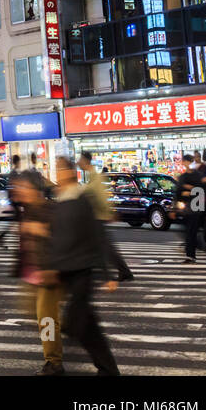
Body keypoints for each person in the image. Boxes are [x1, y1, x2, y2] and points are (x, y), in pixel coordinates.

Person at [44, 156, 120, 376]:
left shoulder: (82, 198)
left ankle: (106, 368)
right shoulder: (59, 200)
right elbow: (56, 236)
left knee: (75, 322)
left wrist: (108, 274)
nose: (57, 174)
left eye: (59, 169)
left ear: (69, 172)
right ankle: (108, 369)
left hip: (83, 269)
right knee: (88, 325)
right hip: (65, 269)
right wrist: (51, 265)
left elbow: (98, 234)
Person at [11, 172, 61, 375]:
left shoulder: (47, 209)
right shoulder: (28, 209)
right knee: (33, 312)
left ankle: (54, 362)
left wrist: (39, 230)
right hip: (31, 274)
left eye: (23, 188)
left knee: (46, 319)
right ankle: (65, 329)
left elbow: (59, 237)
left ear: (34, 190)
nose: (19, 191)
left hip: (47, 274)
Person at [77, 150, 134, 281]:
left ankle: (122, 271)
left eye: (80, 160)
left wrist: (110, 213)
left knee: (106, 248)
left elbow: (102, 198)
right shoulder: (91, 177)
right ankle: (119, 271)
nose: (78, 163)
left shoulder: (95, 178)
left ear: (85, 161)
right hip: (94, 218)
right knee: (101, 247)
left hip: (98, 218)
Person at [176, 154, 205, 264]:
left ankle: (191, 255)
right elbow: (179, 192)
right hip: (187, 205)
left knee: (191, 230)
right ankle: (192, 252)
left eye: (187, 162)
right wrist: (188, 191)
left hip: (196, 205)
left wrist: (189, 190)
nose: (185, 164)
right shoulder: (183, 177)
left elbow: (201, 191)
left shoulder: (198, 175)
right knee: (188, 230)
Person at [0, 154, 24, 249]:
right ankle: (3, 238)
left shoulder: (14, 173)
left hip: (15, 200)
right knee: (18, 221)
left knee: (15, 221)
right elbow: (12, 187)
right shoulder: (14, 174)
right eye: (19, 162)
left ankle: (1, 238)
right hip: (15, 200)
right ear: (17, 162)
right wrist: (14, 199)